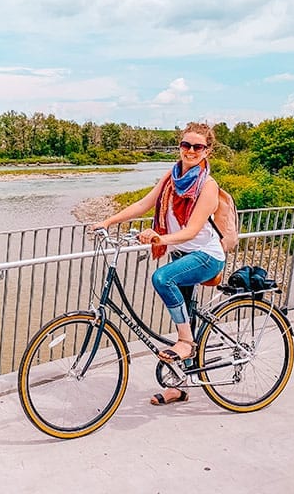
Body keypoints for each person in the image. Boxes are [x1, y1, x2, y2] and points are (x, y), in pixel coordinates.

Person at [92, 122, 225, 405]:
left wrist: (159, 238)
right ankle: (179, 386)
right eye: (185, 145)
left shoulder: (208, 186)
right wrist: (108, 221)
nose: (190, 151)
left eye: (197, 147)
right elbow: (143, 204)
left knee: (163, 279)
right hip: (183, 255)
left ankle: (186, 342)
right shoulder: (171, 177)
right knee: (185, 315)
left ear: (207, 150)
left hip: (206, 257)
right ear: (180, 147)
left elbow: (191, 231)